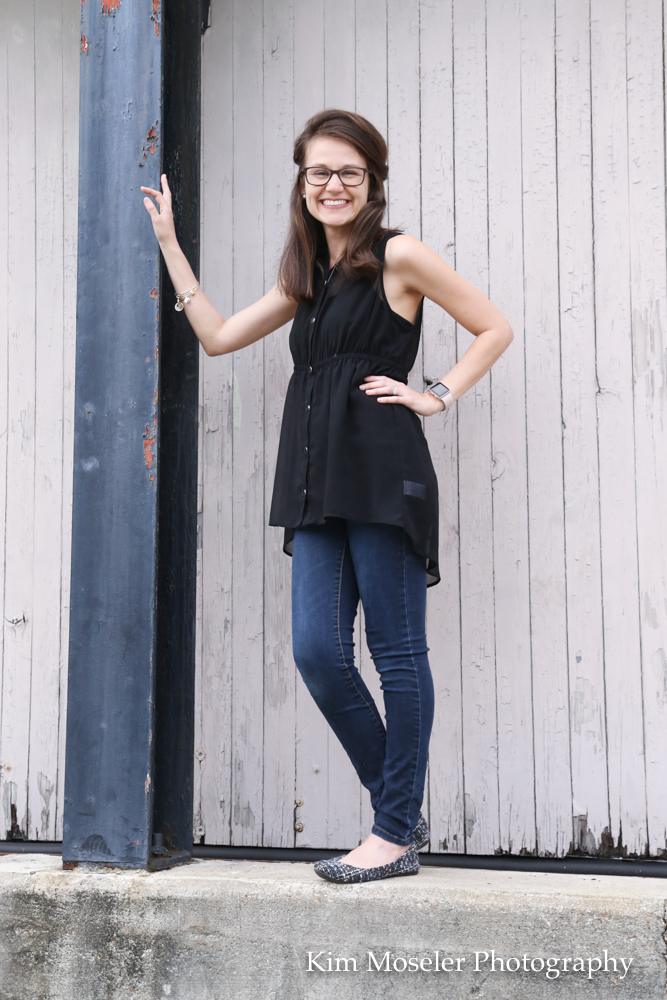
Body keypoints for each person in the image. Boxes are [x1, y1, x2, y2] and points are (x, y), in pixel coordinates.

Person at [142, 109, 513, 884]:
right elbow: (217, 336)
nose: (333, 184)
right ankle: (398, 812)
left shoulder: (398, 256)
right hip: (314, 482)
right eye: (319, 171)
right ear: (302, 182)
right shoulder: (305, 278)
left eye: (349, 171)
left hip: (381, 475)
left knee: (396, 654)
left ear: (371, 181)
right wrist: (172, 247)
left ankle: (390, 834)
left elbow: (492, 327)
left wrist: (434, 394)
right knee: (317, 651)